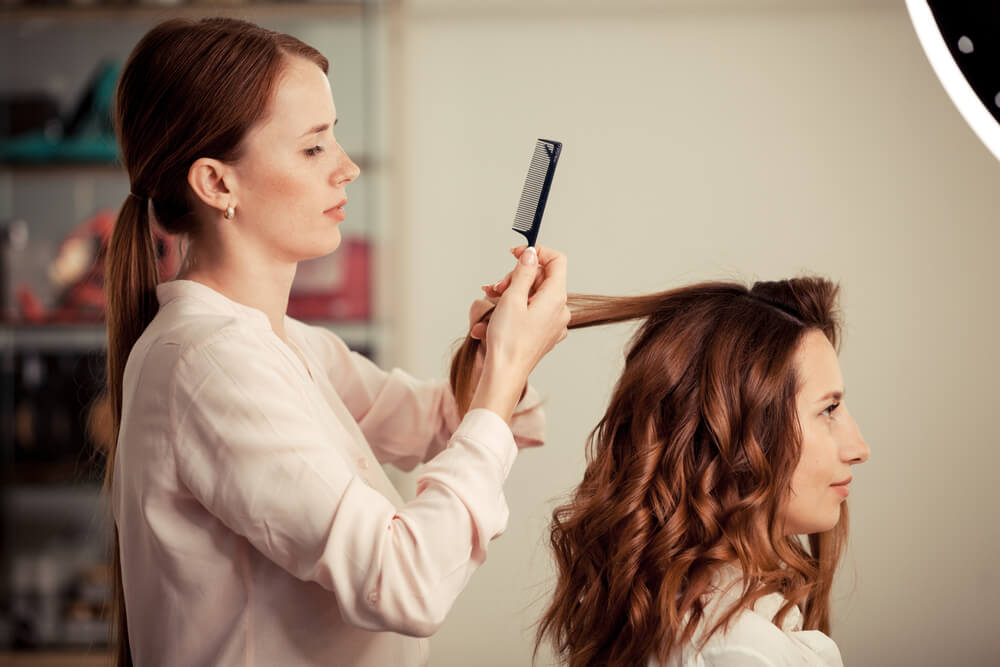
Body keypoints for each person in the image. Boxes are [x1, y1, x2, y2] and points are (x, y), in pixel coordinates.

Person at [103, 17, 569, 667]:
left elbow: (434, 418)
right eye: (314, 146)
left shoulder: (282, 343)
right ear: (216, 183)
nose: (347, 168)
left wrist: (496, 353)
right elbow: (406, 579)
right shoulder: (212, 366)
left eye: (336, 137)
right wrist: (506, 369)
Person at [455, 277, 868, 666]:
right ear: (735, 433)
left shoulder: (690, 620)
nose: (859, 449)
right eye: (828, 409)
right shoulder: (741, 650)